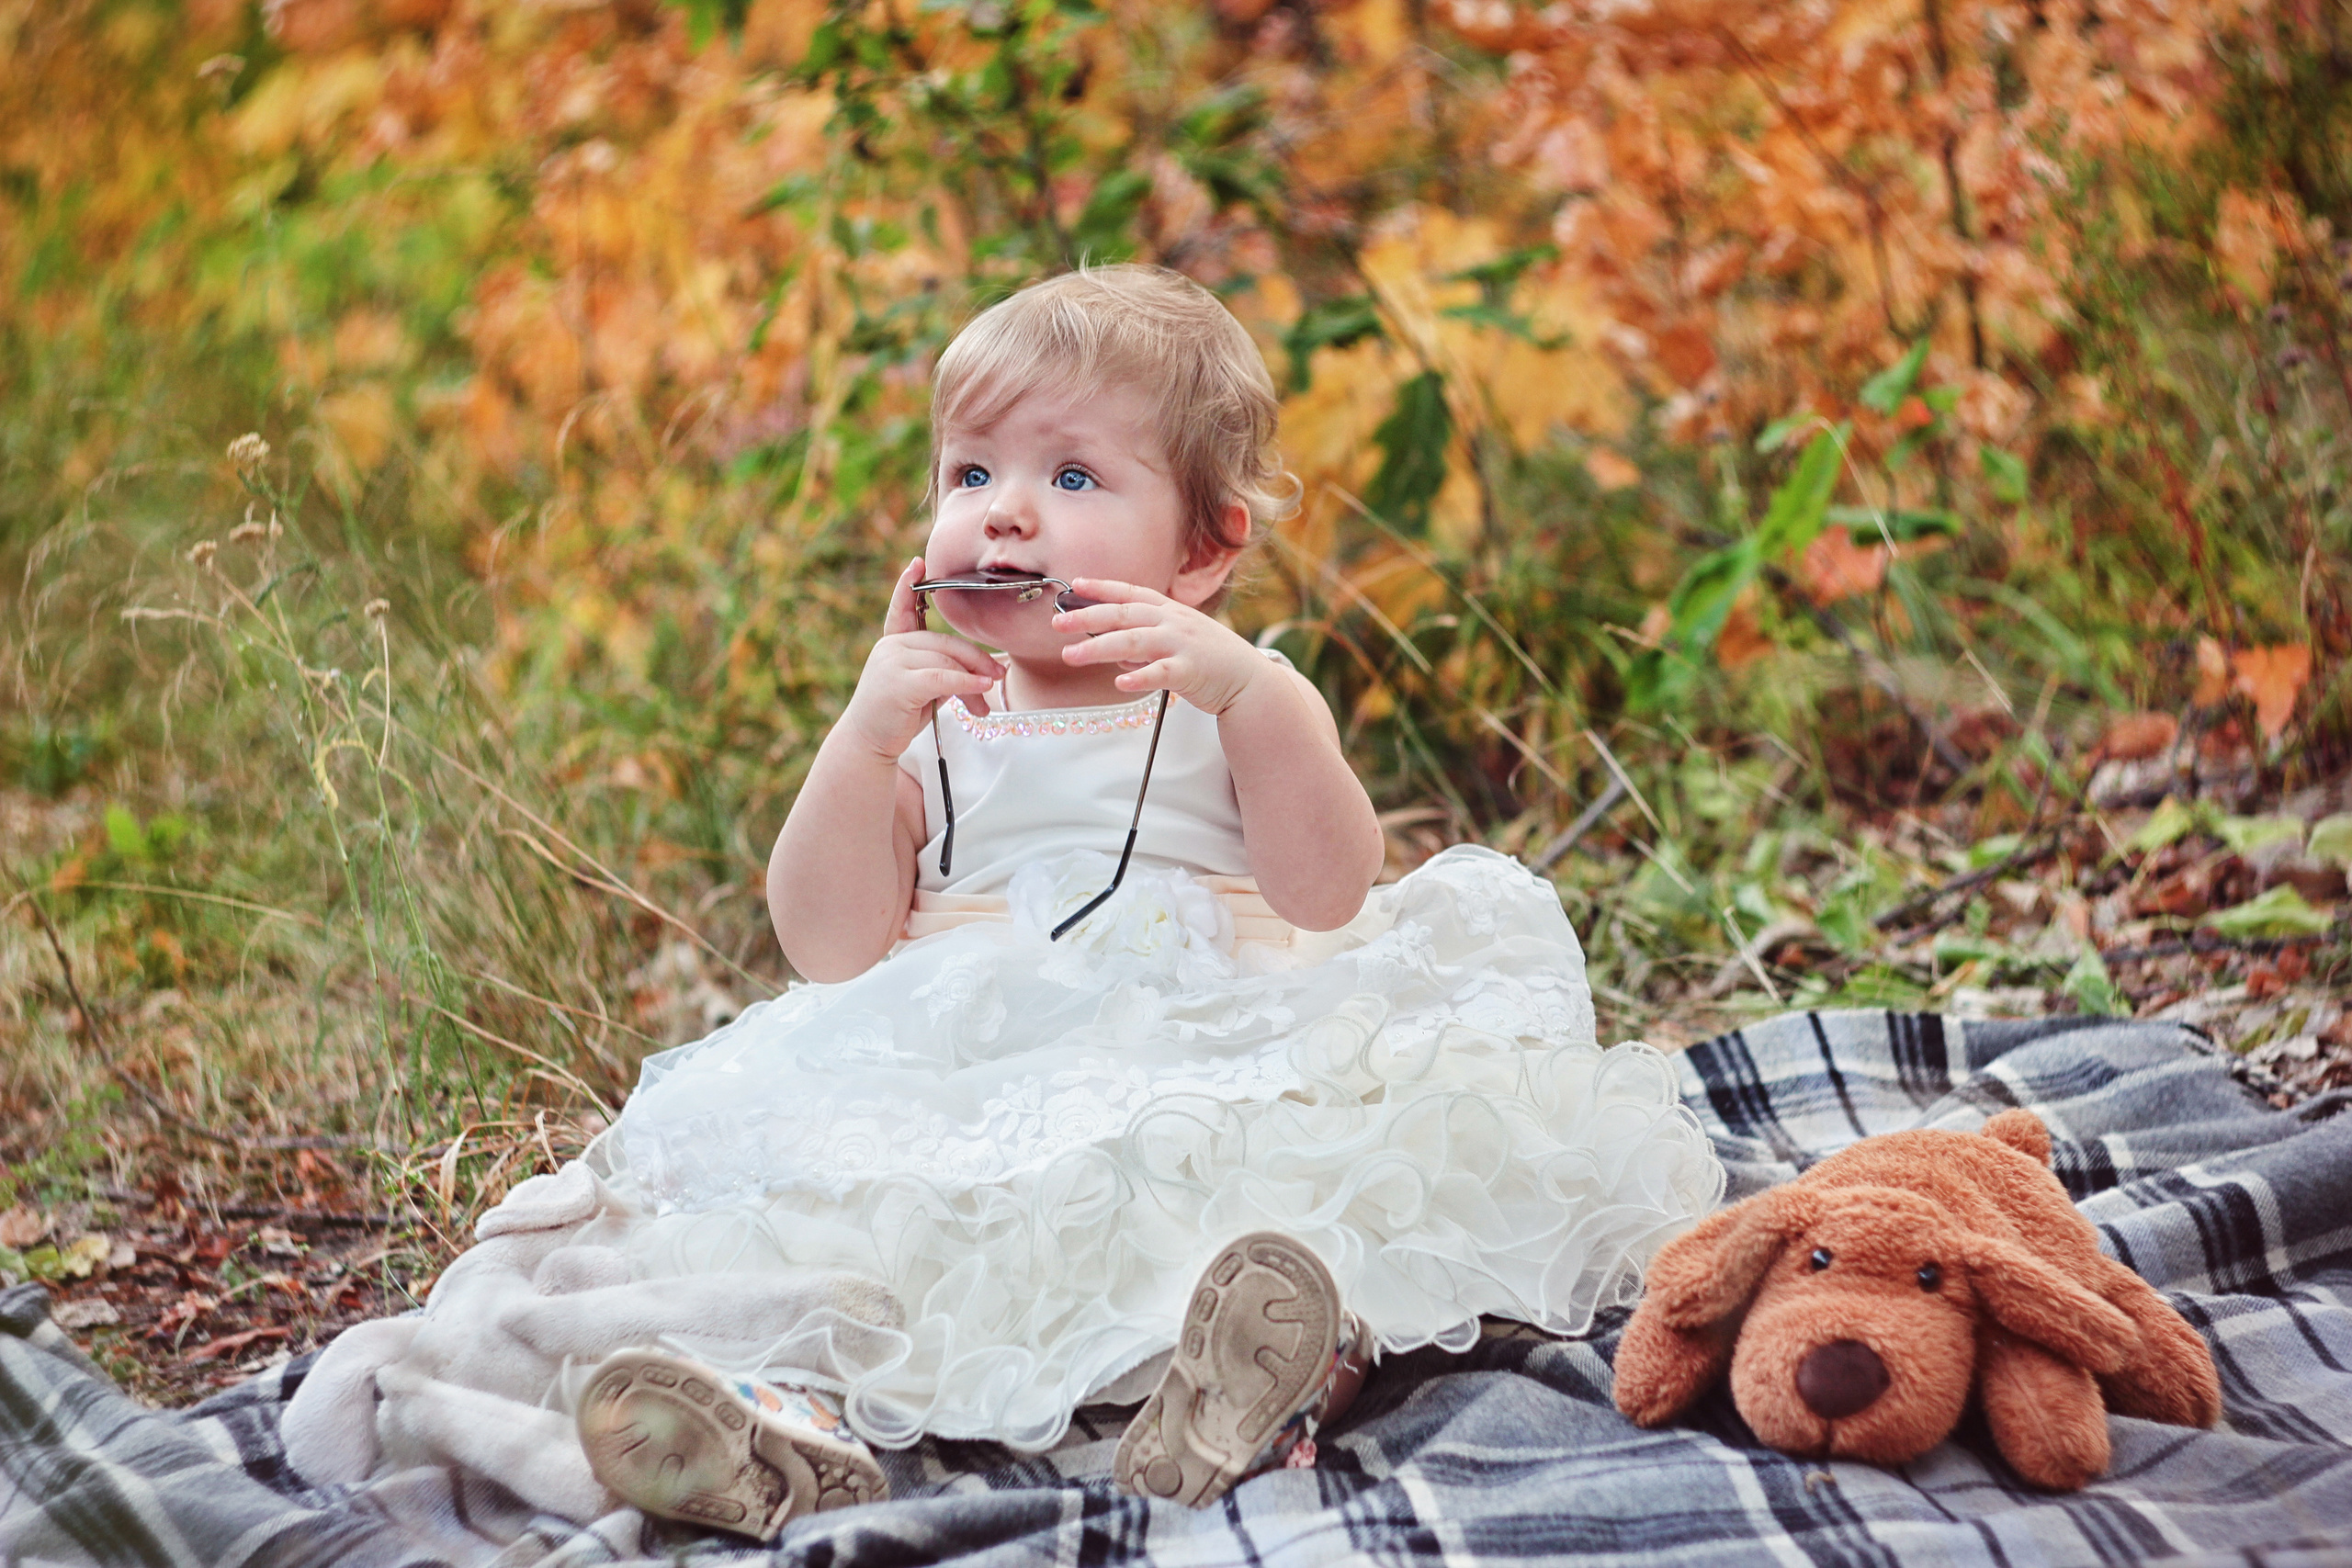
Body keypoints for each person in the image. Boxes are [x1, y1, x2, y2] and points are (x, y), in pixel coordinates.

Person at [294, 265, 1723, 1544]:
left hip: (1201, 1045)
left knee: (1251, 1215)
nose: (1007, 509)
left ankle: (1225, 1392)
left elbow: (1328, 888)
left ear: (1205, 550)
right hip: (963, 1074)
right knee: (865, 1262)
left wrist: (1262, 694)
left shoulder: (1226, 700)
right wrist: (857, 751)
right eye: (970, 470)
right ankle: (791, 1434)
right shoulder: (931, 725)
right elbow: (830, 945)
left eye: (1075, 478)